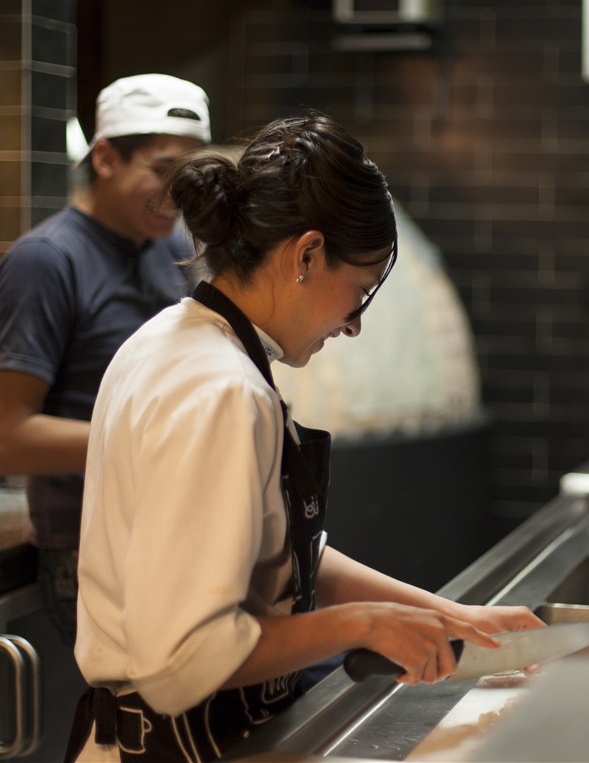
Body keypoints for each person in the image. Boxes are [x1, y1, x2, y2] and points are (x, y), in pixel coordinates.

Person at [66, 111, 544, 762]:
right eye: (361, 291)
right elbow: (179, 660)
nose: (354, 326)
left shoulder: (180, 341)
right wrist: (365, 626)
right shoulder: (221, 391)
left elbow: (292, 558)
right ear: (308, 254)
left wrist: (454, 617)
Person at [0, 74, 212, 645]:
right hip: (95, 546)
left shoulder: (173, 248)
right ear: (105, 158)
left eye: (189, 175)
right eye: (161, 171)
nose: (178, 195)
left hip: (177, 525)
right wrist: (154, 441)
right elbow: (5, 439)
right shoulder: (46, 261)